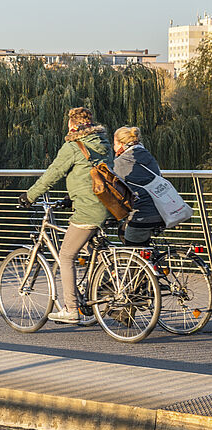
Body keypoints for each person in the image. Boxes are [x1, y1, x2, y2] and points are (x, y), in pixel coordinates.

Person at [18, 107, 112, 325]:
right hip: (107, 205)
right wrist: (73, 197)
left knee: (66, 255)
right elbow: (91, 174)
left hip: (89, 208)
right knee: (91, 250)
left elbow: (53, 174)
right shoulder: (103, 143)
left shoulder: (73, 146)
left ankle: (71, 309)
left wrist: (29, 196)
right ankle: (104, 284)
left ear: (72, 125)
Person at [112, 126, 165, 246]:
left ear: (120, 144)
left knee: (131, 250)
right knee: (126, 232)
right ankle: (151, 262)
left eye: (114, 143)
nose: (113, 147)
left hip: (143, 213)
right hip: (162, 210)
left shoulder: (121, 162)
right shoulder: (147, 156)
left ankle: (141, 264)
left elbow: (111, 188)